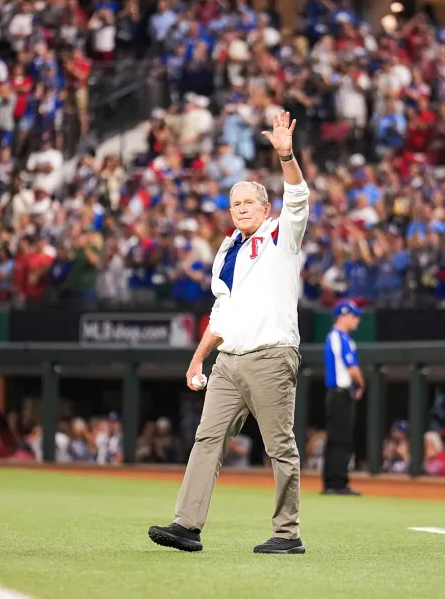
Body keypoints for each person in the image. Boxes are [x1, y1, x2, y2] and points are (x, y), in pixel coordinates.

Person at [149, 111, 310, 555]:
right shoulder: (226, 249)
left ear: (266, 208)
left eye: (248, 203)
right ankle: (187, 525)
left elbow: (298, 196)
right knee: (207, 439)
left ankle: (287, 533)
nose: (239, 209)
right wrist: (198, 357)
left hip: (271, 354)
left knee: (279, 446)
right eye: (234, 203)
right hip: (229, 359)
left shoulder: (281, 235)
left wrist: (286, 156)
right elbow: (222, 310)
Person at [321, 299, 365, 496]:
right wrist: (361, 383)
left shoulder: (340, 337)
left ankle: (333, 482)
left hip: (339, 394)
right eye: (354, 316)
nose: (357, 320)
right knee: (340, 440)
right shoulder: (339, 337)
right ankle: (337, 483)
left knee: (338, 439)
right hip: (340, 394)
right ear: (343, 315)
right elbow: (352, 369)